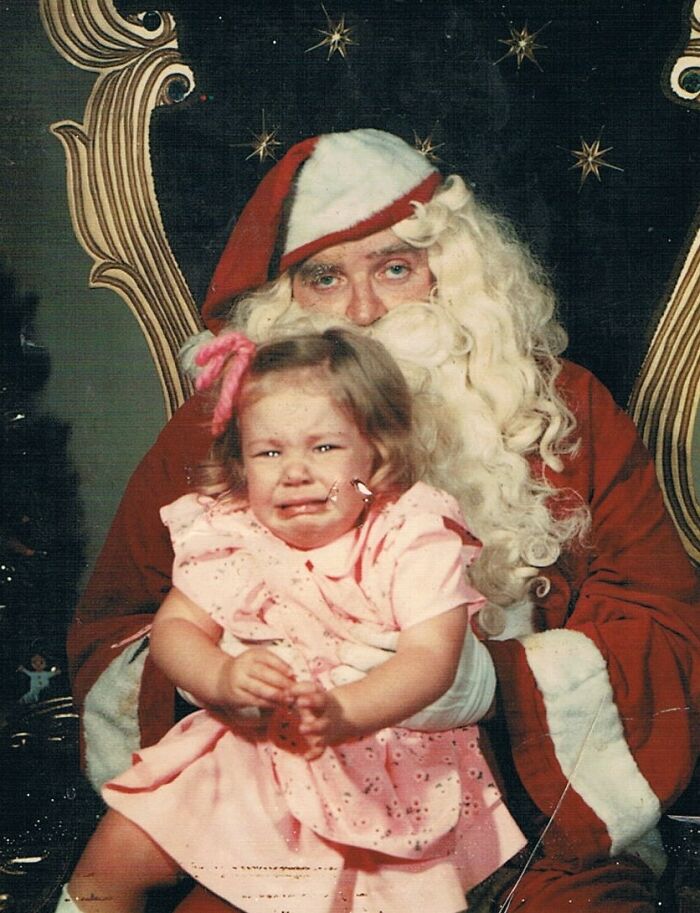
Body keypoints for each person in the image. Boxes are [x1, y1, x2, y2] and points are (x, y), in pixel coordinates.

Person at [68, 129, 699, 912]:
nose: (362, 311)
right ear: (282, 299)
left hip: (537, 818)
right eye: (324, 278)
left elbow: (667, 625)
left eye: (395, 268)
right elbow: (116, 632)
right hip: (284, 817)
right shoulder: (224, 431)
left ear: (453, 272)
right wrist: (235, 668)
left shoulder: (565, 408)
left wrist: (481, 683)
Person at [57, 328, 525, 913]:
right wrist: (221, 676)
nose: (294, 471)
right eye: (269, 451)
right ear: (241, 462)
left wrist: (345, 710)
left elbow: (431, 658)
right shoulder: (230, 535)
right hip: (240, 752)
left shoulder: (409, 535)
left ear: (376, 454)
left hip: (372, 768)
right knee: (116, 855)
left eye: (324, 448)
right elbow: (176, 631)